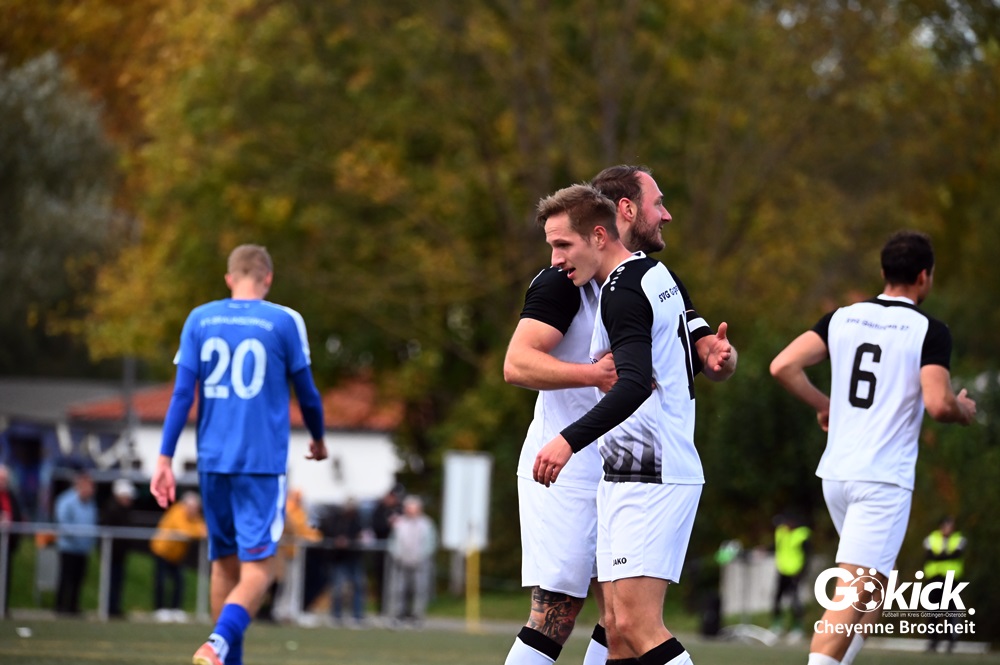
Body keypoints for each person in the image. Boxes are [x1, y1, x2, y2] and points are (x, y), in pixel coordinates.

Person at [503, 165, 735, 665]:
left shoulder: (645, 277)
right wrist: (592, 376)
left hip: (630, 462)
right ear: (624, 210)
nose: (665, 215)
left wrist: (718, 355)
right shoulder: (562, 282)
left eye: (562, 244)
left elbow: (691, 349)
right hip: (566, 469)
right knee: (560, 610)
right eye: (658, 203)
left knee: (622, 619)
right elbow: (516, 364)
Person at [769, 229, 977, 665]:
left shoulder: (842, 318)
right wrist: (963, 409)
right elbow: (939, 404)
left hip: (837, 476)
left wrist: (825, 405)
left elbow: (783, 365)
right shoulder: (929, 330)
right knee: (851, 596)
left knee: (874, 591)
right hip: (880, 481)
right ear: (924, 277)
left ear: (884, 271)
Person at [150, 244, 328, 665]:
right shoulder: (284, 320)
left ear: (229, 278)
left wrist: (164, 459)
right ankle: (217, 644)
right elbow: (307, 393)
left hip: (212, 462)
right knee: (259, 568)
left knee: (223, 565)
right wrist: (318, 437)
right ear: (268, 279)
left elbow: (181, 395)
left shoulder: (200, 318)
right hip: (261, 464)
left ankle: (225, 658)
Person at [150, 491, 207, 621]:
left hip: (176, 555)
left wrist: (198, 530)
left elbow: (203, 528)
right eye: (193, 507)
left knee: (179, 582)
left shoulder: (193, 517)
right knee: (161, 581)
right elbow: (184, 530)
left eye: (196, 508)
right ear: (185, 505)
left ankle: (176, 609)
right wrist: (198, 532)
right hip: (162, 551)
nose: (195, 510)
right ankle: (159, 609)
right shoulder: (177, 511)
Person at [271, 488, 322, 623]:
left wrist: (314, 537)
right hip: (284, 553)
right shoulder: (288, 510)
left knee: (293, 584)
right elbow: (293, 529)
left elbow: (305, 530)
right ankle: (280, 610)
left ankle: (291, 610)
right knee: (284, 584)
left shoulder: (300, 512)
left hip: (295, 552)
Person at [387, 495, 437, 627]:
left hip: (420, 562)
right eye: (408, 508)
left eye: (413, 508)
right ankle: (398, 614)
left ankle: (417, 615)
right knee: (398, 590)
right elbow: (393, 542)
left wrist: (422, 556)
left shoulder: (426, 524)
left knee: (420, 590)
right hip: (401, 562)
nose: (410, 511)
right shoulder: (399, 523)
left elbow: (430, 544)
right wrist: (397, 555)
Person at [54, 470, 97, 615]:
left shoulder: (90, 503)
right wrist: (78, 537)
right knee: (66, 577)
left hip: (83, 548)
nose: (91, 489)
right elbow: (63, 522)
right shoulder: (66, 501)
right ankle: (60, 606)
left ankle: (73, 606)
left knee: (79, 579)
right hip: (68, 547)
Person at [923, 515, 966, 653]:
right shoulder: (931, 538)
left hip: (952, 580)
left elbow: (956, 555)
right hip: (934, 579)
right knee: (933, 612)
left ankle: (951, 641)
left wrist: (939, 556)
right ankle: (933, 641)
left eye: (950, 525)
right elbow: (929, 556)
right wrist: (946, 556)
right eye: (946, 525)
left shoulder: (959, 539)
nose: (948, 528)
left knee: (951, 611)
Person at [320, 499, 366, 626]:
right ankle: (336, 615)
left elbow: (361, 535)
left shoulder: (358, 520)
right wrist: (337, 540)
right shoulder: (336, 519)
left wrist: (349, 541)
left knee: (357, 586)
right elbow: (327, 531)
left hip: (353, 557)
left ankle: (357, 616)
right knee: (338, 588)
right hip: (339, 558)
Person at [770, 513, 811, 640]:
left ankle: (797, 628)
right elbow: (776, 547)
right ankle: (777, 625)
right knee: (777, 598)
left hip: (795, 572)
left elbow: (807, 555)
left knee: (795, 601)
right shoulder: (781, 532)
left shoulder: (802, 534)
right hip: (782, 570)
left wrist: (802, 571)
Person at [103, 477, 138, 618]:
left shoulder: (124, 510)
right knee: (110, 580)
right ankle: (108, 608)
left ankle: (114, 607)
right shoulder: (112, 509)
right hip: (112, 553)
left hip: (120, 553)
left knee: (117, 581)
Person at [369, 487, 403, 616]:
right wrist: (388, 524)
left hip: (399, 551)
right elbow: (375, 527)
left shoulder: (401, 510)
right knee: (382, 580)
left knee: (398, 581)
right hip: (382, 552)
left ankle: (398, 609)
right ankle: (382, 608)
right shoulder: (379, 510)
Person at [0, 463, 24, 615]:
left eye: (5, 479)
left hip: (8, 543)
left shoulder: (11, 495)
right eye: (1, 479)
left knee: (6, 576)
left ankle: (3, 605)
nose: (4, 482)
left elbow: (17, 514)